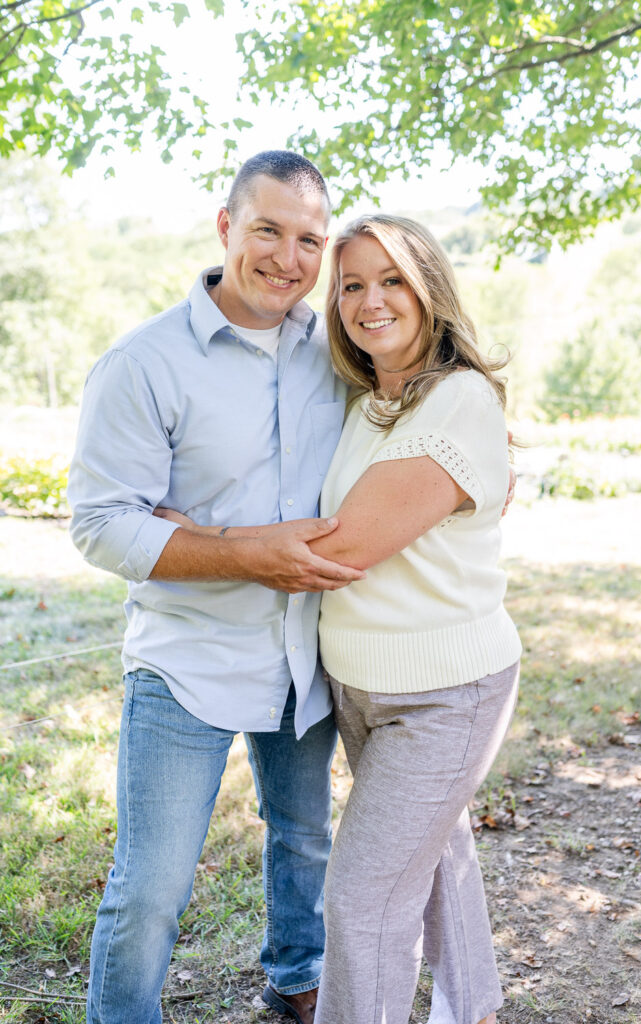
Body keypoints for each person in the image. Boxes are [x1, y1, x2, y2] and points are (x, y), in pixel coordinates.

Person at [67, 151, 366, 1024]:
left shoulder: (337, 352)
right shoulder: (144, 362)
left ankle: (296, 987)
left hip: (305, 652)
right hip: (184, 659)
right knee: (152, 885)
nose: (287, 257)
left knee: (304, 840)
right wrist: (241, 551)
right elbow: (100, 524)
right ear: (227, 227)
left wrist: (487, 459)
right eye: (267, 229)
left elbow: (414, 410)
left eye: (309, 238)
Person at [309, 214, 522, 1024]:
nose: (369, 301)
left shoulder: (459, 399)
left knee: (361, 902)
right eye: (352, 284)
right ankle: (472, 1006)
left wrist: (183, 540)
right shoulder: (368, 403)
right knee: (432, 860)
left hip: (445, 692)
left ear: (428, 286)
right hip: (360, 684)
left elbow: (344, 546)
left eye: (390, 278)